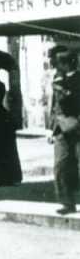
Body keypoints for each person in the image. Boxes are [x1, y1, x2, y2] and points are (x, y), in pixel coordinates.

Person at [49, 45, 80, 216]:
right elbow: (54, 107)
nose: (54, 66)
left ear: (65, 64)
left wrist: (66, 92)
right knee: (60, 166)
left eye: (57, 63)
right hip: (60, 129)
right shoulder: (57, 81)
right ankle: (66, 202)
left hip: (76, 127)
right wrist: (51, 129)